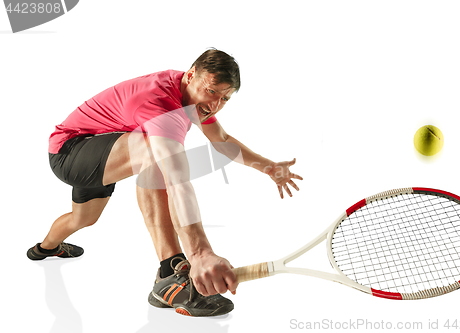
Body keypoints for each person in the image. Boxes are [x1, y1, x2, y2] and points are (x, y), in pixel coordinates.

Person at [27, 49, 302, 317]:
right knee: (156, 152)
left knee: (83, 219)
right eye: (212, 92)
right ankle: (170, 270)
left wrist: (269, 167)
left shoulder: (192, 97)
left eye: (225, 98)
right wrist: (200, 253)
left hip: (104, 153)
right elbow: (176, 179)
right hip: (70, 152)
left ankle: (46, 247)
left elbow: (223, 140)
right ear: (191, 75)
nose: (215, 105)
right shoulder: (159, 104)